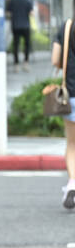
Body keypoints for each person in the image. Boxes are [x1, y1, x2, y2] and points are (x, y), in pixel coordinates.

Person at [51, 19, 75, 209]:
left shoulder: (67, 26)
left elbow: (55, 60)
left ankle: (73, 184)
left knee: (72, 143)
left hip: (72, 95)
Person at [7, 0, 34, 72]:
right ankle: (25, 63)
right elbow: (31, 14)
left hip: (16, 26)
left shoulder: (13, 1)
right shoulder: (27, 1)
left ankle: (16, 65)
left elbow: (8, 13)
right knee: (26, 45)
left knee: (16, 45)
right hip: (25, 26)